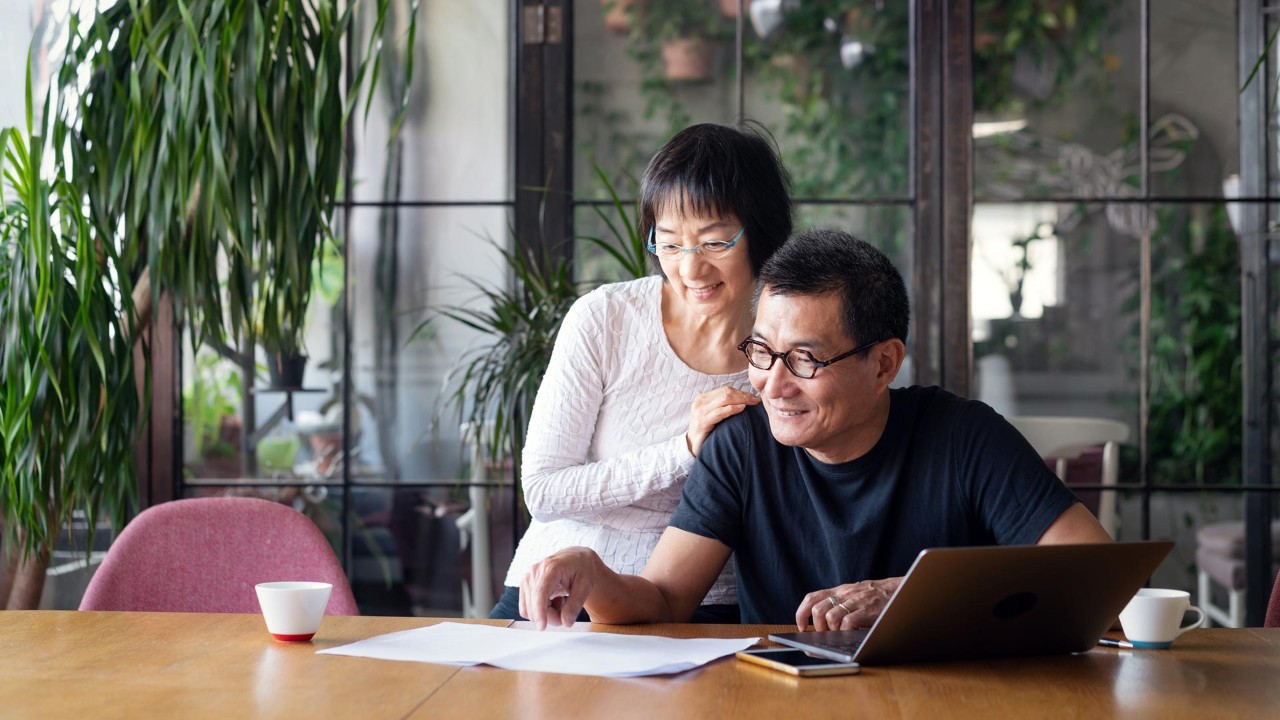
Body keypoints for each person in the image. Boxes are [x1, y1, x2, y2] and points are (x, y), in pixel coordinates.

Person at [518, 228, 1112, 629]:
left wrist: (909, 596)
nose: (772, 384)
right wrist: (594, 574)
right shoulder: (740, 448)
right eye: (761, 351)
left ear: (883, 363)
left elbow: (1101, 584)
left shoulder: (963, 438)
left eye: (804, 360)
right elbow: (665, 600)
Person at [489, 123, 794, 621]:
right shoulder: (607, 317)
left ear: (761, 232)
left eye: (714, 242)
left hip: (701, 601)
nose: (690, 269)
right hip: (562, 586)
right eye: (669, 244)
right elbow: (543, 490)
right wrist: (684, 449)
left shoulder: (786, 349)